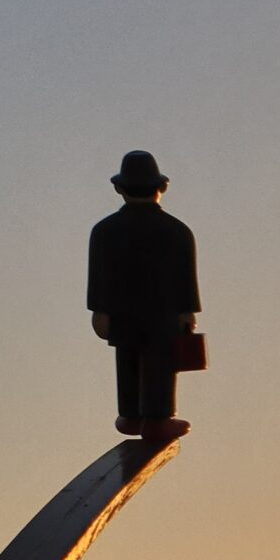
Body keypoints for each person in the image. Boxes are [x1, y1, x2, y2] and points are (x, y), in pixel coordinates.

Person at [87, 150, 201, 439]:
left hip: (123, 314)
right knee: (159, 366)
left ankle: (131, 414)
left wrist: (99, 311)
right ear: (160, 188)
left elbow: (98, 277)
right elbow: (185, 278)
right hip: (161, 315)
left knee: (128, 361)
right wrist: (187, 312)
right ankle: (156, 416)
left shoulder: (104, 230)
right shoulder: (177, 231)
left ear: (119, 188)